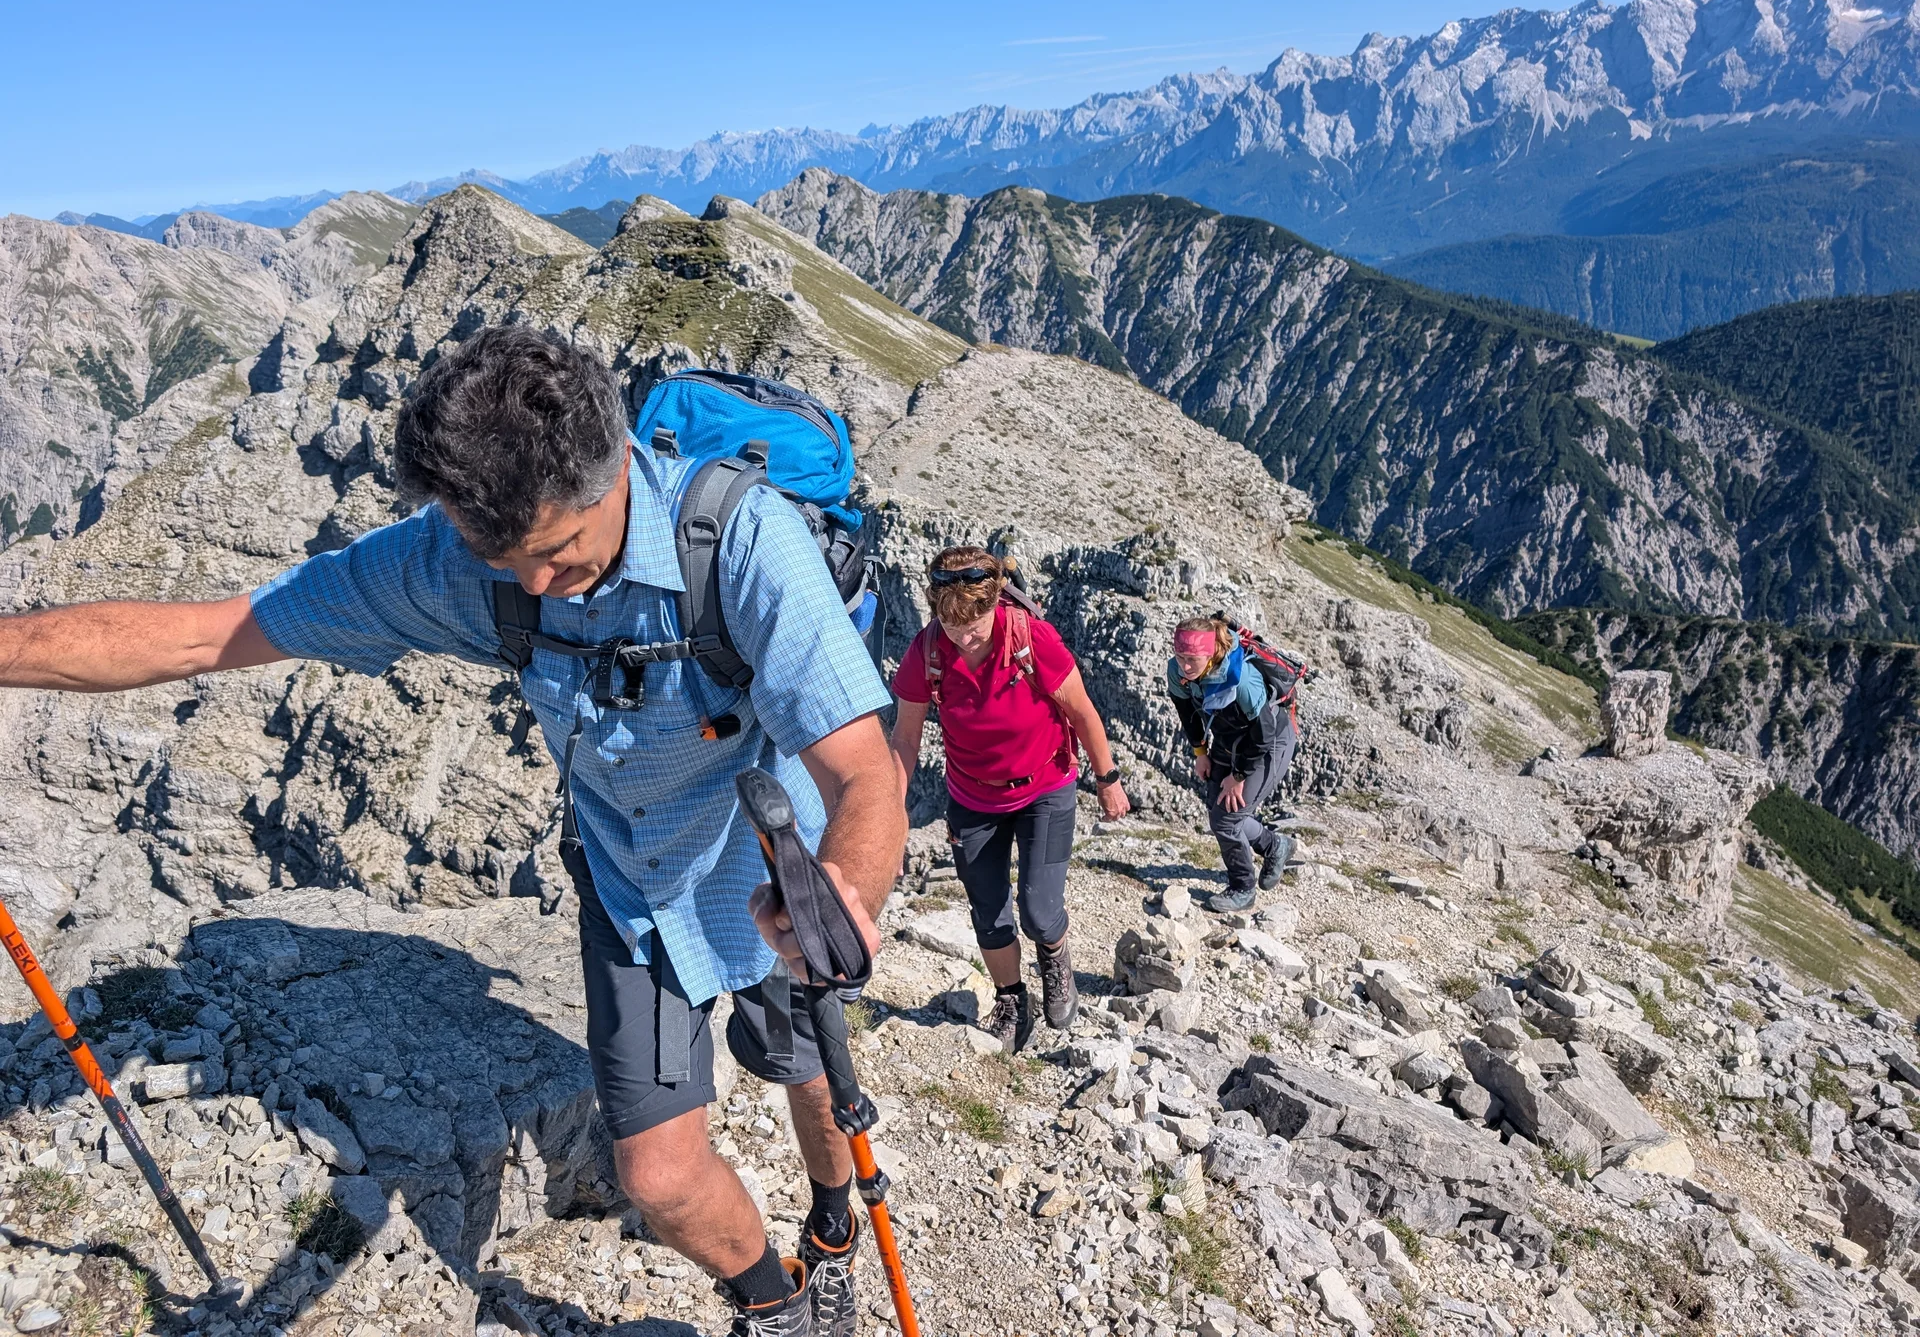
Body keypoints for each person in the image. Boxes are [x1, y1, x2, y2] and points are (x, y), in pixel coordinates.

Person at [0, 326, 905, 1337]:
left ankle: (832, 1229)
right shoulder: (454, 561)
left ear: (621, 471)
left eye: (559, 553)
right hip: (634, 881)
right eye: (501, 559)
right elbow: (205, 633)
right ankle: (778, 1304)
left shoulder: (745, 542)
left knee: (806, 1062)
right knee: (656, 1172)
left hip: (778, 863)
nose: (531, 589)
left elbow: (867, 770)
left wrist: (843, 887)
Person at [889, 548, 1129, 1051]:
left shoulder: (1029, 637)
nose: (965, 637)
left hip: (1046, 787)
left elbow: (1083, 712)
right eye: (951, 626)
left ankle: (1055, 959)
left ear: (994, 602)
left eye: (974, 623)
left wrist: (1107, 779)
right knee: (988, 912)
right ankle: (1011, 999)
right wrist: (890, 809)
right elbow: (906, 738)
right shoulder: (927, 652)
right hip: (973, 798)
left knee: (1039, 911)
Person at [1167, 615, 1296, 913]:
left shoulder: (1241, 679)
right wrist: (1201, 752)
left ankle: (1243, 888)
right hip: (1229, 742)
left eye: (1193, 658)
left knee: (1226, 820)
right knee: (1219, 810)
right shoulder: (1178, 672)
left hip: (1269, 744)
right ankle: (1275, 846)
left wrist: (1238, 776)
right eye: (1180, 656)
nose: (1185, 665)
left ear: (1210, 652)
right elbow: (1187, 713)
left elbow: (1263, 735)